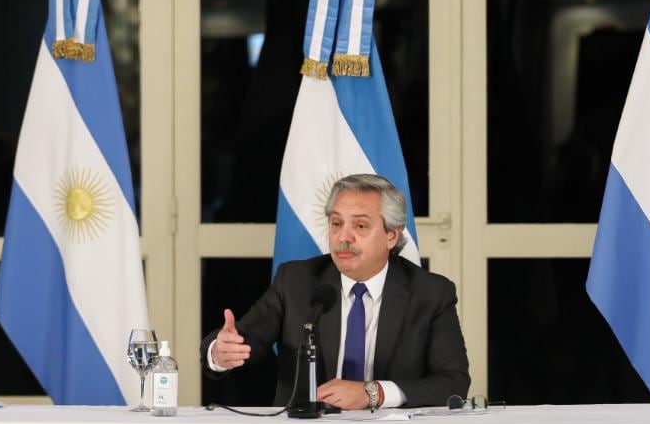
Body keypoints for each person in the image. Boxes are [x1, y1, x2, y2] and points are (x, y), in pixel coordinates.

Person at [201, 173, 469, 409]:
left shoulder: (430, 293)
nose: (344, 237)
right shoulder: (296, 281)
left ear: (392, 235)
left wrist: (372, 393)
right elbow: (246, 339)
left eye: (360, 226)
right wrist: (219, 352)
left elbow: (453, 382)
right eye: (336, 223)